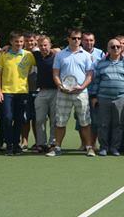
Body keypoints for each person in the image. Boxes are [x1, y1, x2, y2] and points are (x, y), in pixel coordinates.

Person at [48, 29, 96, 157]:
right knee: (60, 121)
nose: (77, 41)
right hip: (63, 92)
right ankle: (57, 147)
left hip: (81, 92)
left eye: (79, 38)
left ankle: (89, 147)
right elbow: (55, 74)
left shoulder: (86, 55)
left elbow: (89, 75)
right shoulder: (60, 55)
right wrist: (60, 86)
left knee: (85, 121)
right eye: (74, 38)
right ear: (68, 39)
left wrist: (82, 87)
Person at [0, 31, 37, 155]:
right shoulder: (3, 54)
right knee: (7, 118)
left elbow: (44, 57)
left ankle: (16, 144)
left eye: (21, 41)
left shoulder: (28, 55)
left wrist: (55, 49)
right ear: (11, 42)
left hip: (22, 92)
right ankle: (9, 144)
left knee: (19, 119)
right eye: (16, 41)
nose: (19, 44)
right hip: (7, 92)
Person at [90, 39, 124, 156]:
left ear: (121, 48)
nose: (116, 49)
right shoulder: (100, 63)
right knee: (103, 124)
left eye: (118, 46)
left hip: (121, 97)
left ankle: (115, 147)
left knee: (118, 124)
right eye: (112, 47)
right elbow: (96, 81)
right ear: (108, 49)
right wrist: (94, 96)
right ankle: (104, 147)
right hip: (103, 97)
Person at [31, 35, 59, 152]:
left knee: (54, 119)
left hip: (56, 91)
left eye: (45, 45)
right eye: (41, 45)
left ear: (50, 45)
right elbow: (26, 48)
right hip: (41, 91)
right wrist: (7, 47)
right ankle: (41, 144)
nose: (43, 47)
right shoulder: (36, 55)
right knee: (39, 119)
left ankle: (53, 143)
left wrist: (56, 50)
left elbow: (61, 50)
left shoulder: (57, 55)